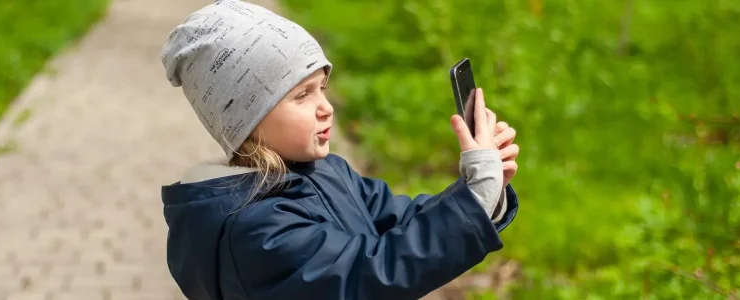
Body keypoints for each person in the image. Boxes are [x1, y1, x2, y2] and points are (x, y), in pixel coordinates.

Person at [159, 1, 520, 299]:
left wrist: (481, 192)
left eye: (322, 87)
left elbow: (403, 222)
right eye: (302, 95)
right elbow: (368, 275)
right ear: (246, 120)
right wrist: (475, 198)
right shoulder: (255, 229)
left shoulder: (326, 171)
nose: (326, 108)